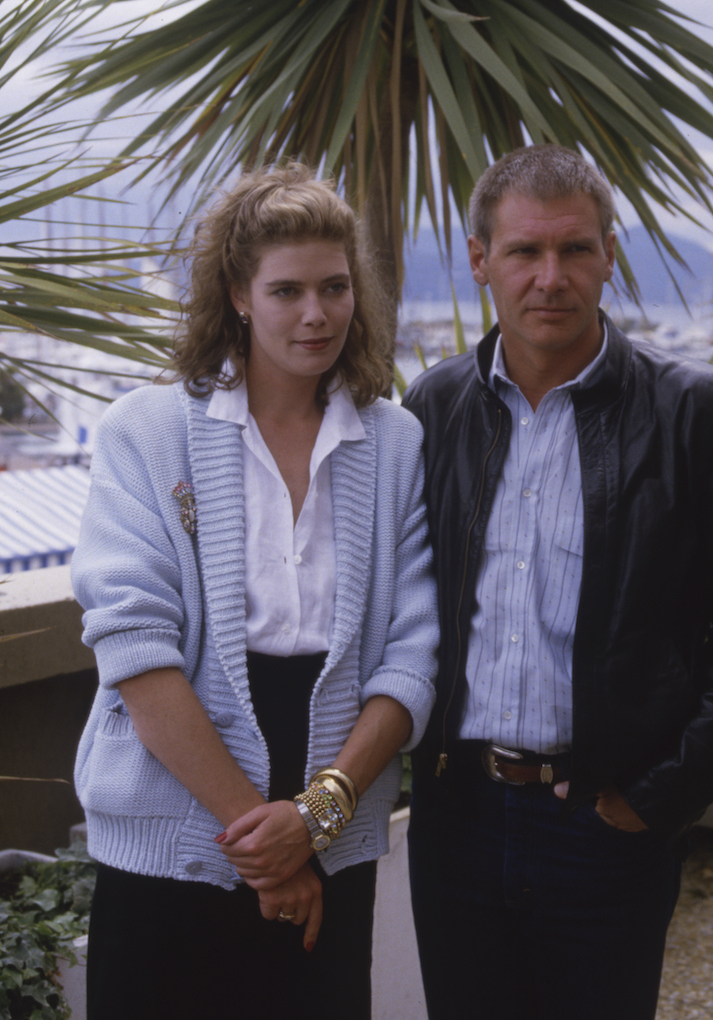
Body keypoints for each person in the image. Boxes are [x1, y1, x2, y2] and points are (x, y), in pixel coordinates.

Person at [402, 144, 713, 1020]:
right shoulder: (435, 408)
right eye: (524, 252)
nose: (551, 277)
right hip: (456, 818)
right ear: (478, 260)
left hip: (604, 824)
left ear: (609, 255)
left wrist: (658, 801)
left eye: (575, 249)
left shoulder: (704, 415)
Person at [72, 163, 438, 1020]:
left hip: (331, 831)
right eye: (287, 290)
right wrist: (268, 844)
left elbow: (412, 656)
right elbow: (135, 649)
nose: (316, 313)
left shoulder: (395, 445)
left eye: (335, 286)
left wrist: (314, 819)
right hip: (171, 833)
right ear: (238, 292)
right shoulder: (148, 432)